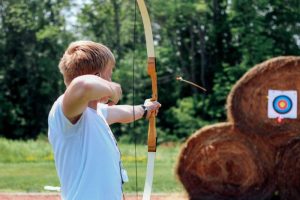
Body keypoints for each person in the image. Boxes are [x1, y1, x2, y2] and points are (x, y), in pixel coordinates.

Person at [48, 40, 161, 200]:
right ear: (97, 77)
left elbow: (124, 112)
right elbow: (83, 86)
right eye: (110, 73)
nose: (112, 79)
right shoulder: (64, 110)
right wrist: (114, 89)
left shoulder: (97, 113)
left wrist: (144, 109)